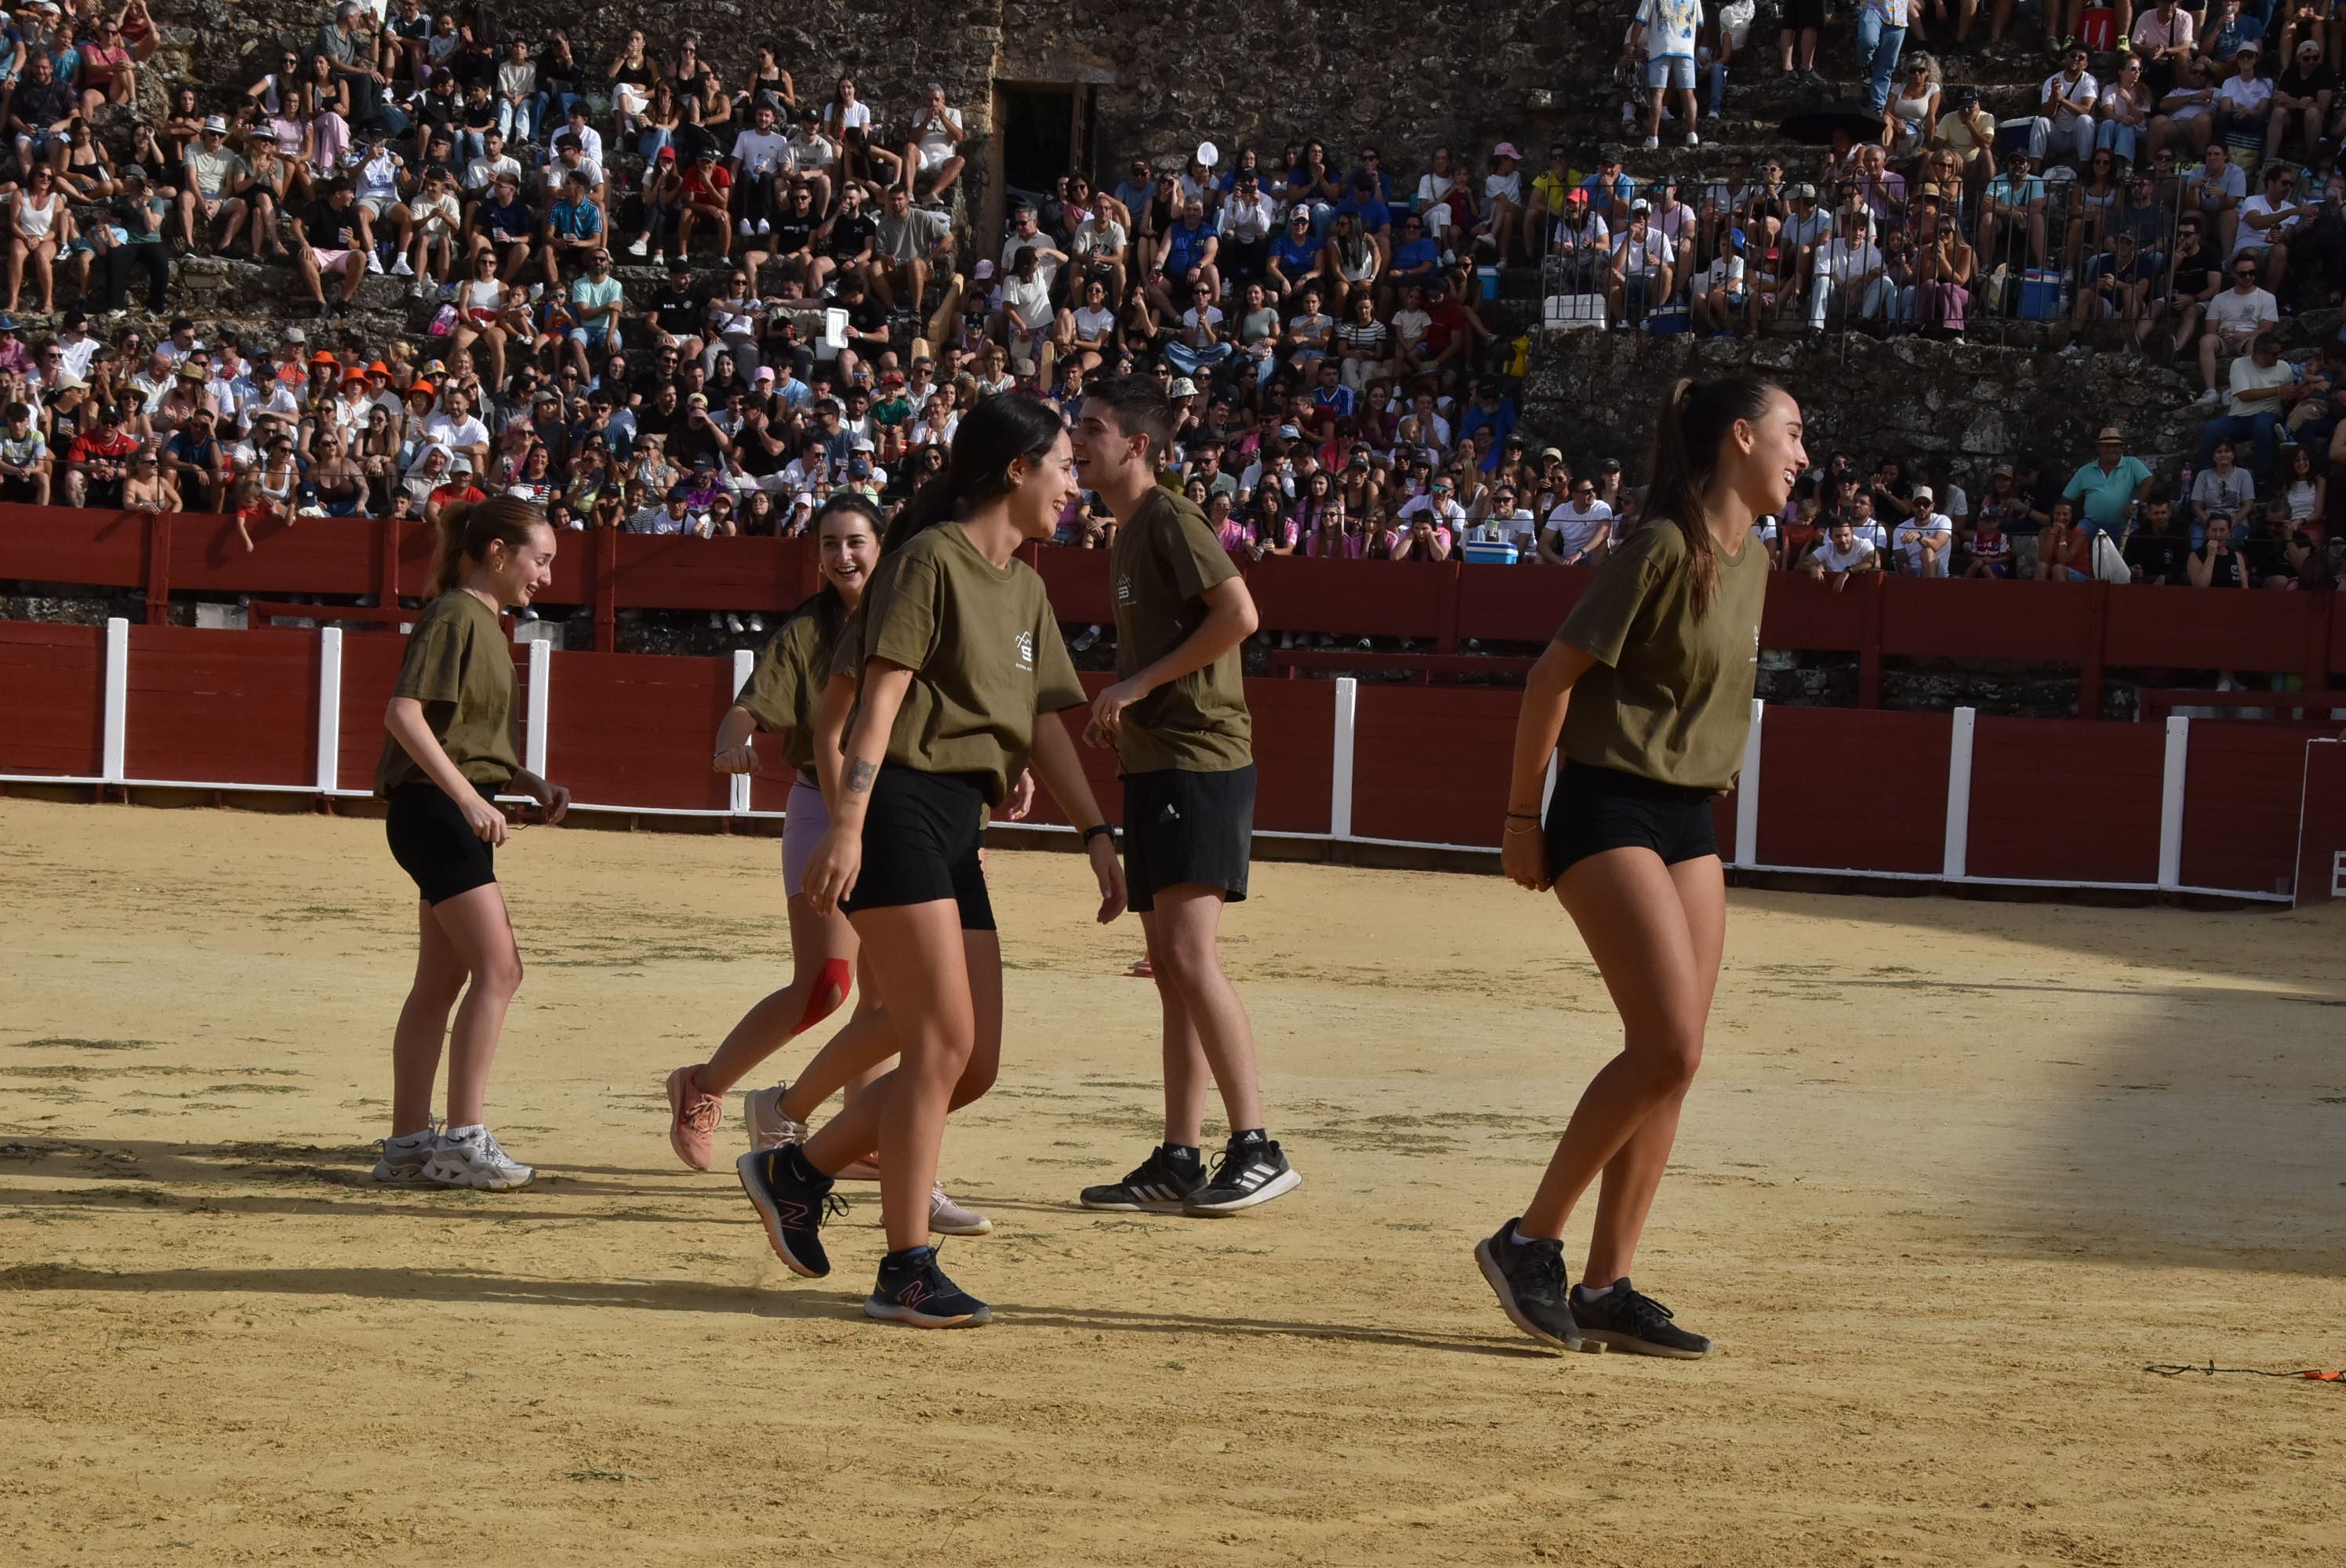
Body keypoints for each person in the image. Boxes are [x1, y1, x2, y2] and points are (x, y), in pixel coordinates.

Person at [738, 394, 1126, 1330]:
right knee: (939, 1042)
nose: (1077, 487)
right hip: (901, 806)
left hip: (957, 820)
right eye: (1066, 467)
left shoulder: (1025, 587)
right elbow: (877, 705)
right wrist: (848, 823)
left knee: (973, 1061)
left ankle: (799, 1168)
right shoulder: (927, 560)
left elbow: (1042, 725)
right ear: (1016, 469)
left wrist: (1096, 833)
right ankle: (904, 1265)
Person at [1480, 375, 1803, 1359]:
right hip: (1605, 799)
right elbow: (1548, 677)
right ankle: (1526, 1239)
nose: (1801, 455)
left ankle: (1607, 1283)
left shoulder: (1754, 559)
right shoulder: (1663, 546)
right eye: (1790, 435)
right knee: (1665, 1041)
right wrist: (1519, 817)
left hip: (1685, 814)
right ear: (1740, 439)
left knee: (1678, 1058)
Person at [666, 495, 993, 1235]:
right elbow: (751, 708)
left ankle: (879, 1152)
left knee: (902, 1009)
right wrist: (729, 741)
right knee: (827, 987)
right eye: (829, 545)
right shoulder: (809, 631)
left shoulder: (918, 611)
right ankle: (706, 1086)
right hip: (828, 808)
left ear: (885, 549)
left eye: (856, 542)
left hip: (907, 813)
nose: (843, 556)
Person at [1066, 376, 1302, 1218]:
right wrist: (1127, 704)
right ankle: (1178, 1154)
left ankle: (1256, 1143)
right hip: (1162, 759)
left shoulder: (1168, 517)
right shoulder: (1128, 529)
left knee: (1192, 959)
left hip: (1200, 760)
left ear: (1138, 445)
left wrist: (1133, 685)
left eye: (1091, 427)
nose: (1076, 439)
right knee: (1169, 967)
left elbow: (1239, 613)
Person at [371, 498, 570, 1193]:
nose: (545, 575)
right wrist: (468, 797)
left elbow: (464, 731)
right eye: (538, 559)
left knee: (442, 981)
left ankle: (406, 1145)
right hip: (435, 812)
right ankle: (461, 1141)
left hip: (442, 809)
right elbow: (404, 714)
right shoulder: (457, 615)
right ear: (495, 552)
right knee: (501, 970)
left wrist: (521, 778)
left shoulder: (482, 621)